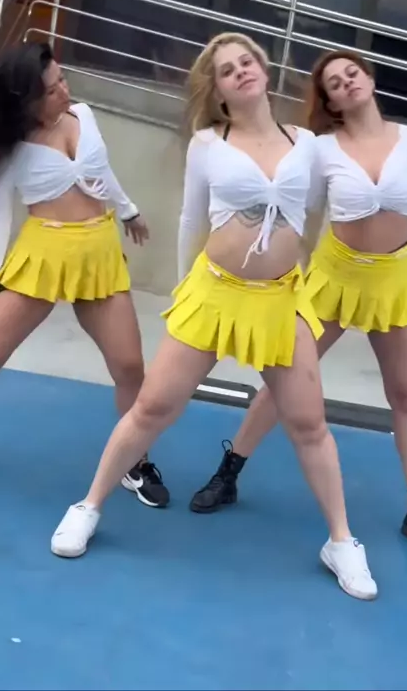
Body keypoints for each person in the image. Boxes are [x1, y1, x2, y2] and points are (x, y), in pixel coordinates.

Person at [51, 32, 377, 601]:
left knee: (308, 424)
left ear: (265, 70)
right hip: (214, 292)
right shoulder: (208, 143)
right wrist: (185, 292)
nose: (241, 71)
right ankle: (89, 505)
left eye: (247, 61)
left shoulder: (308, 144)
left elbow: (322, 208)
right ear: (219, 91)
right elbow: (190, 220)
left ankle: (342, 541)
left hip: (279, 300)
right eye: (228, 70)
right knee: (153, 407)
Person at [189, 49, 407, 561]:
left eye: (352, 72)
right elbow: (293, 209)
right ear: (328, 100)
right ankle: (230, 472)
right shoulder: (321, 149)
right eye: (334, 82)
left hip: (399, 279)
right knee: (282, 381)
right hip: (333, 276)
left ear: (369, 77)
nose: (346, 82)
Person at [0, 41, 169, 509]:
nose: (65, 92)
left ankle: (135, 460)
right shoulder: (11, 146)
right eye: (52, 90)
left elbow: (101, 172)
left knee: (129, 366)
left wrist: (128, 210)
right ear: (26, 100)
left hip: (98, 252)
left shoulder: (84, 115)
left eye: (63, 79)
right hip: (44, 255)